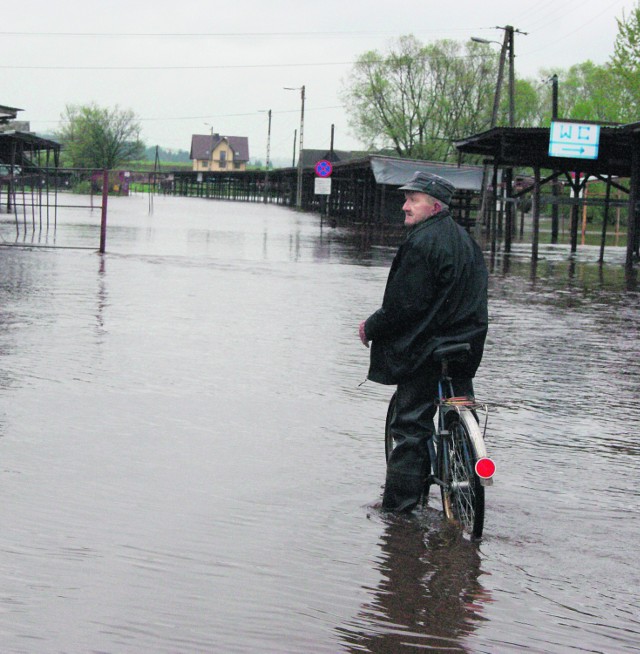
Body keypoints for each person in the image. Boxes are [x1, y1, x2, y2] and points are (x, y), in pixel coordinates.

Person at [359, 170, 488, 513]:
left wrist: (371, 328)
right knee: (461, 412)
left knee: (411, 427)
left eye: (412, 199)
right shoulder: (467, 243)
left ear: (434, 206)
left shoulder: (422, 242)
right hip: (464, 350)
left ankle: (399, 512)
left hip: (428, 353)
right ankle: (464, 498)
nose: (404, 206)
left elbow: (403, 307)